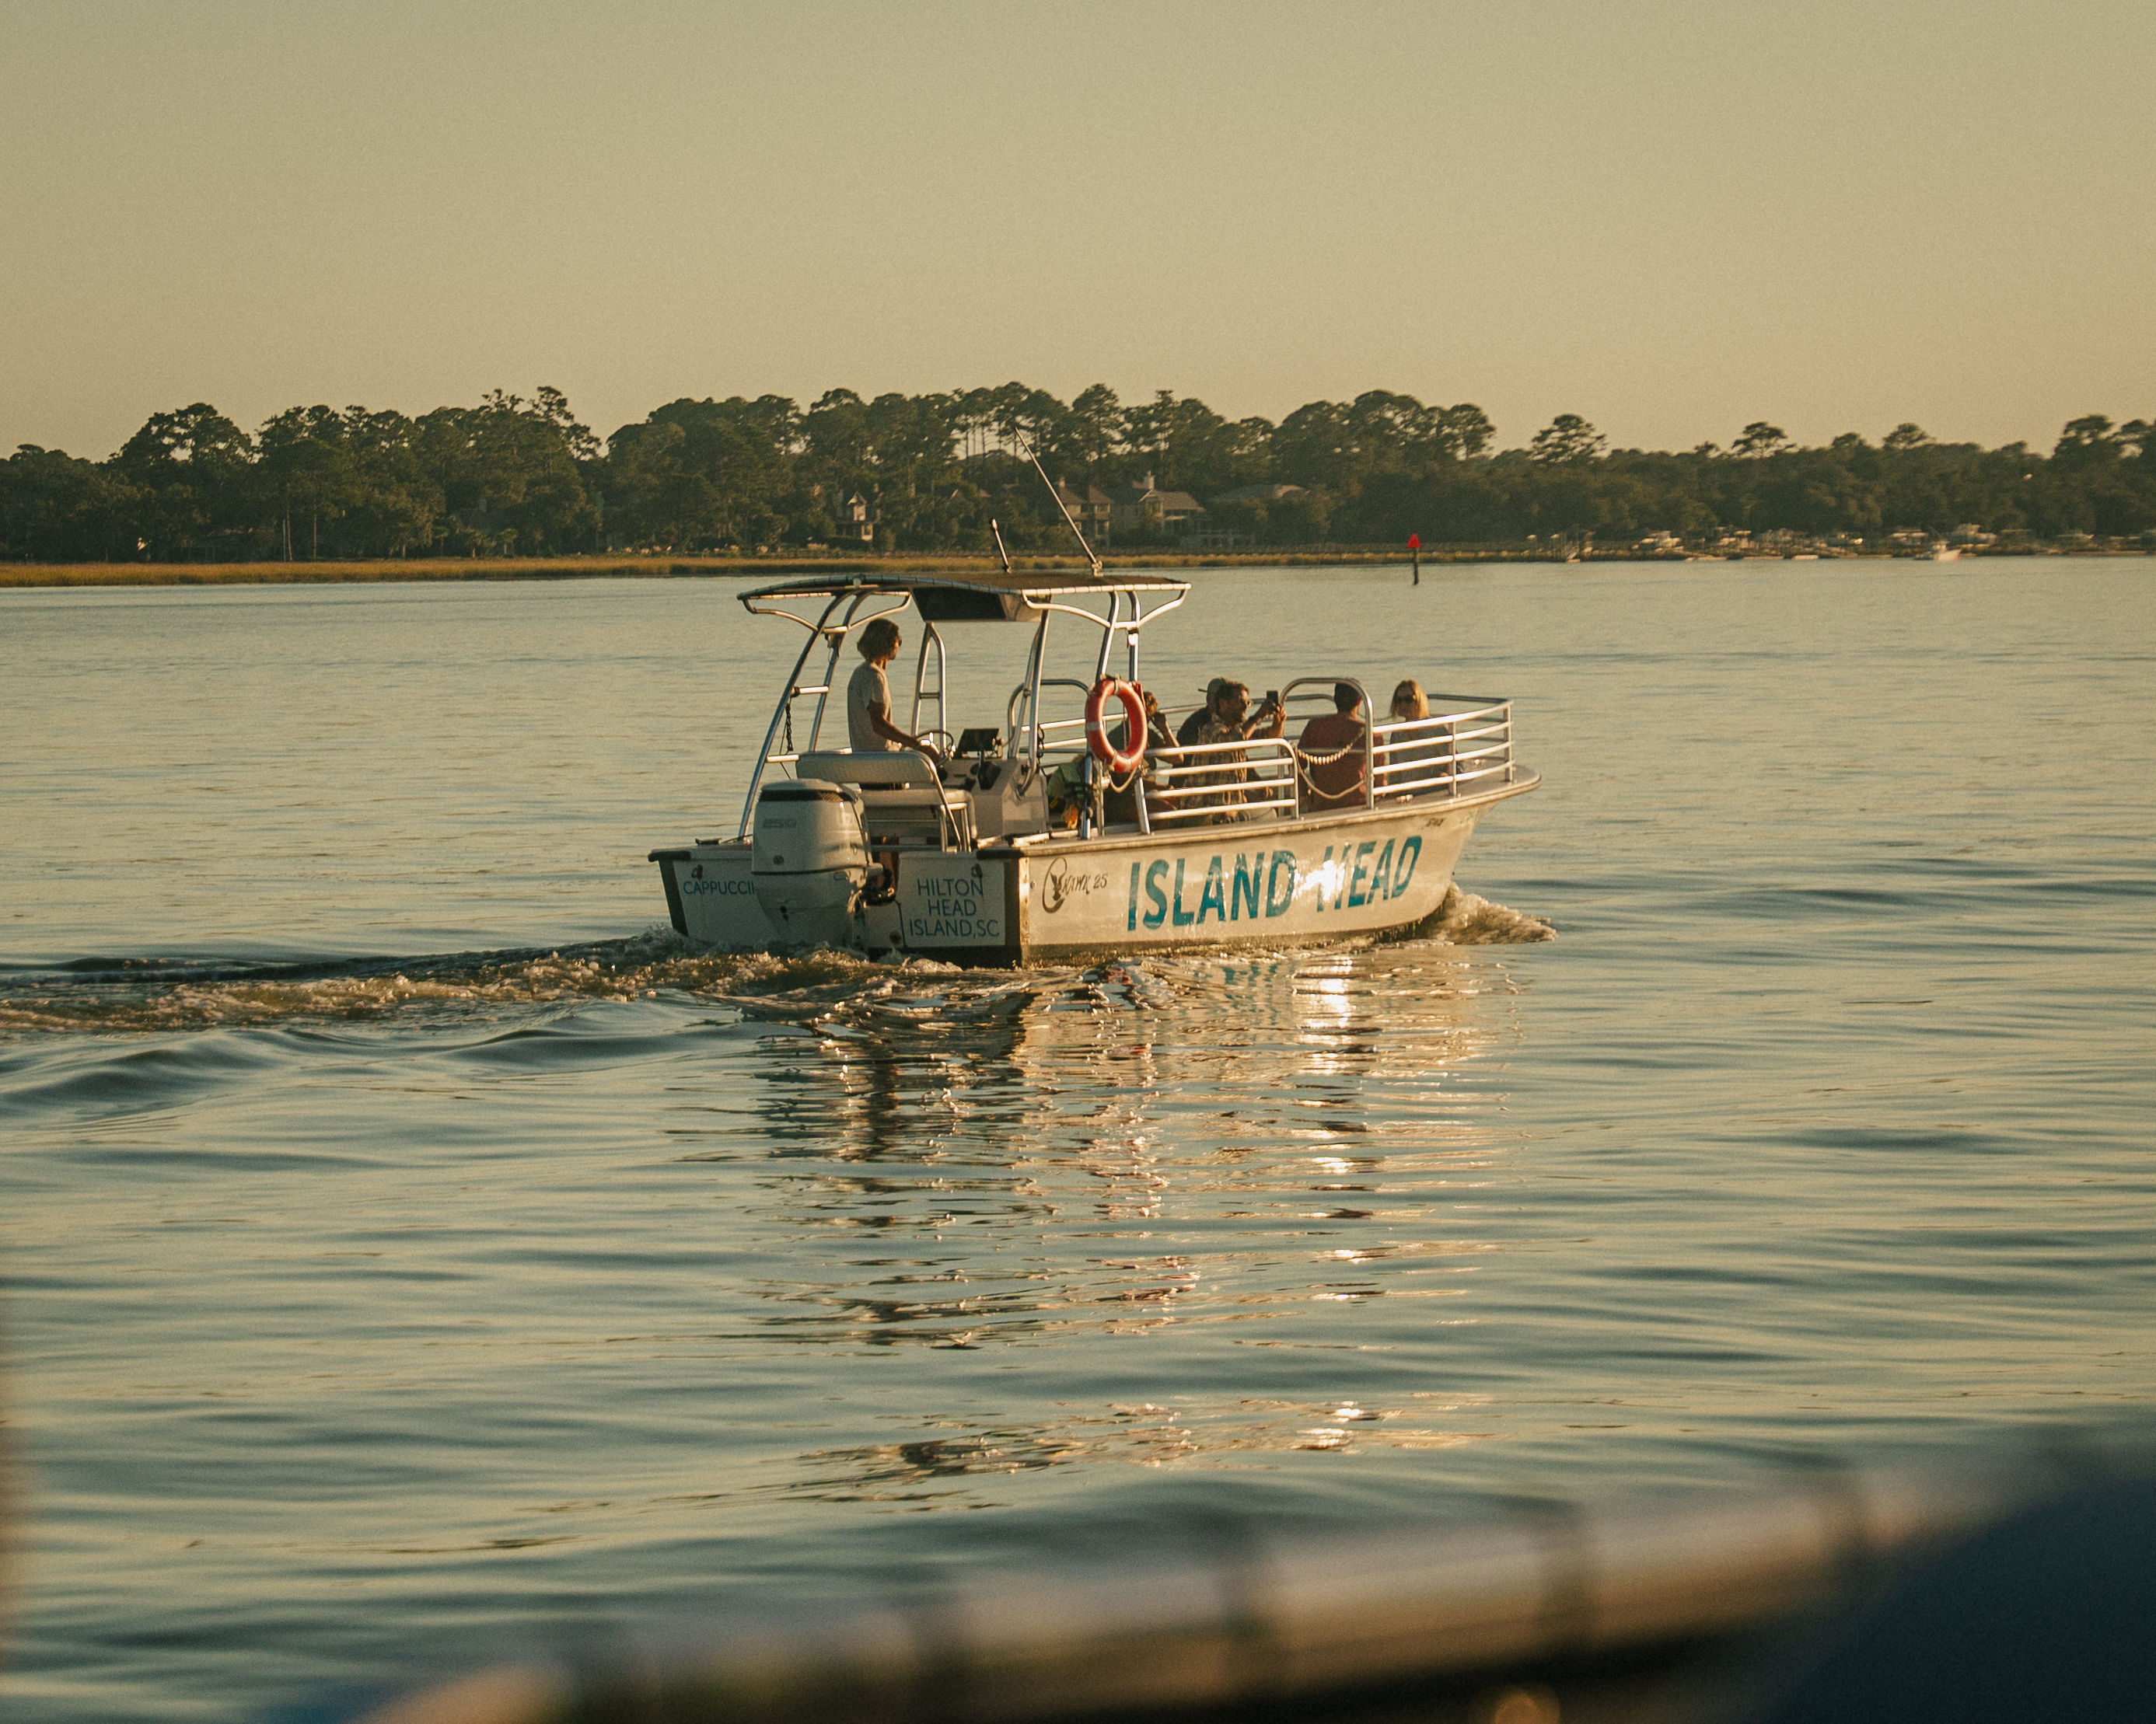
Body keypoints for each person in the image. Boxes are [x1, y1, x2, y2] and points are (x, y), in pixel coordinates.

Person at [1176, 678, 1284, 818]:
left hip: (1230, 803)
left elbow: (1271, 736)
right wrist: (1258, 717)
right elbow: (1233, 743)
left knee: (1266, 804)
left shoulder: (1236, 731)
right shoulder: (1211, 730)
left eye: (1248, 703)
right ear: (1223, 704)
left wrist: (1278, 723)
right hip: (1208, 808)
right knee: (1269, 815)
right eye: (1240, 702)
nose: (1245, 707)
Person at [846, 618, 942, 763]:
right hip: (883, 761)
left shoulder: (860, 672)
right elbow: (878, 724)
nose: (899, 644)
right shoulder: (874, 676)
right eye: (897, 640)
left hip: (866, 759)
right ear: (889, 643)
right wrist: (915, 745)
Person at [1295, 682, 1368, 811]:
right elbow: (1380, 781)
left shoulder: (1315, 728)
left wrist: (1302, 792)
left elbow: (1297, 763)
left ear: (1335, 699)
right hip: (1360, 803)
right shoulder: (1369, 733)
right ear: (1359, 701)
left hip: (1322, 804)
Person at [1379, 678, 1449, 794]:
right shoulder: (1397, 734)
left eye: (1409, 700)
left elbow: (1455, 765)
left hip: (1432, 793)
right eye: (1399, 700)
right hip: (1407, 795)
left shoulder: (1435, 729)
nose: (1403, 704)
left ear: (1419, 701)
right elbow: (1395, 773)